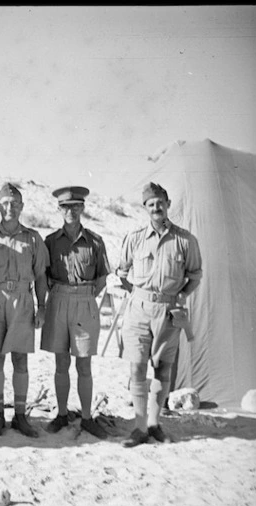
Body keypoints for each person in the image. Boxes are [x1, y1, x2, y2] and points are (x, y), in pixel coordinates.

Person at [117, 182, 202, 447]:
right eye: (150, 204)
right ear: (145, 208)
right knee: (137, 367)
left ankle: (154, 424)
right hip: (139, 312)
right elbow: (121, 272)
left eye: (160, 202)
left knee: (163, 369)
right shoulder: (134, 238)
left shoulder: (185, 240)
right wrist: (137, 294)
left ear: (168, 204)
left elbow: (195, 275)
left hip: (168, 313)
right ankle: (139, 427)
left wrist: (180, 296)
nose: (156, 207)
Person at [0, 183, 49, 437]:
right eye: (5, 203)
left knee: (20, 359)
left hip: (22, 300)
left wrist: (42, 308)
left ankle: (20, 415)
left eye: (15, 204)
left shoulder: (33, 238)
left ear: (22, 207)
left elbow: (40, 276)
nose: (10, 208)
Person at [40, 186, 111, 439]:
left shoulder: (95, 241)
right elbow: (43, 276)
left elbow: (102, 277)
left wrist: (85, 297)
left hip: (84, 301)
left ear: (82, 208)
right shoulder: (49, 242)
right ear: (58, 209)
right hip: (58, 299)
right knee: (60, 362)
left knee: (84, 363)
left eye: (75, 206)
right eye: (65, 207)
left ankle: (87, 417)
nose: (70, 211)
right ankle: (61, 414)